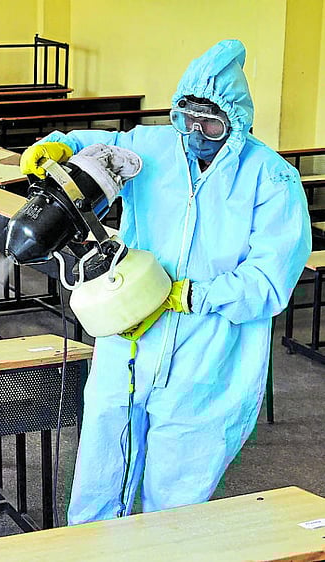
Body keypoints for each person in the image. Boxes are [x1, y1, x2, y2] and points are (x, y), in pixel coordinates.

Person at [20, 39, 312, 524]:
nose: (196, 133)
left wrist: (192, 295)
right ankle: (92, 550)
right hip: (131, 330)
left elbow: (269, 279)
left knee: (178, 489)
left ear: (236, 121)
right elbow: (88, 146)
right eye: (186, 118)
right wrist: (57, 147)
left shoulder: (270, 178)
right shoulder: (151, 147)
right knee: (102, 460)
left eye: (210, 124)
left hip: (208, 346)